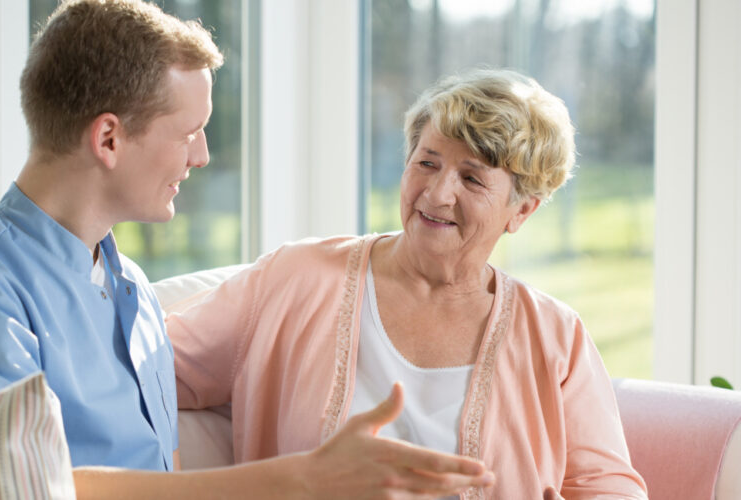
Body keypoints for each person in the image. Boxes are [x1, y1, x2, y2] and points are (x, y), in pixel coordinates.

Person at [0, 1, 496, 498]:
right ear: (108, 139)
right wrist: (302, 479)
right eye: (188, 133)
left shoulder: (128, 285)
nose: (202, 156)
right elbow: (19, 484)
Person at [170, 69, 649, 499]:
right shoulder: (295, 278)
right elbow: (148, 366)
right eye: (427, 163)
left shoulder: (555, 335)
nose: (438, 194)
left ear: (522, 210)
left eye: (473, 178)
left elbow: (609, 487)